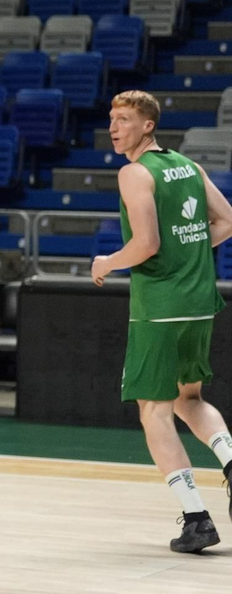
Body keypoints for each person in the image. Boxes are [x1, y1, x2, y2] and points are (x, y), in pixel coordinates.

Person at [93, 91, 232, 553]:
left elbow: (147, 243)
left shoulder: (134, 173)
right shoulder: (188, 168)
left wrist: (107, 261)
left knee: (153, 409)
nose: (115, 127)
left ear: (148, 125)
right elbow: (227, 221)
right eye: (112, 119)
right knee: (188, 398)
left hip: (160, 304)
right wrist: (191, 253)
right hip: (199, 300)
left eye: (125, 119)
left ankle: (197, 519)